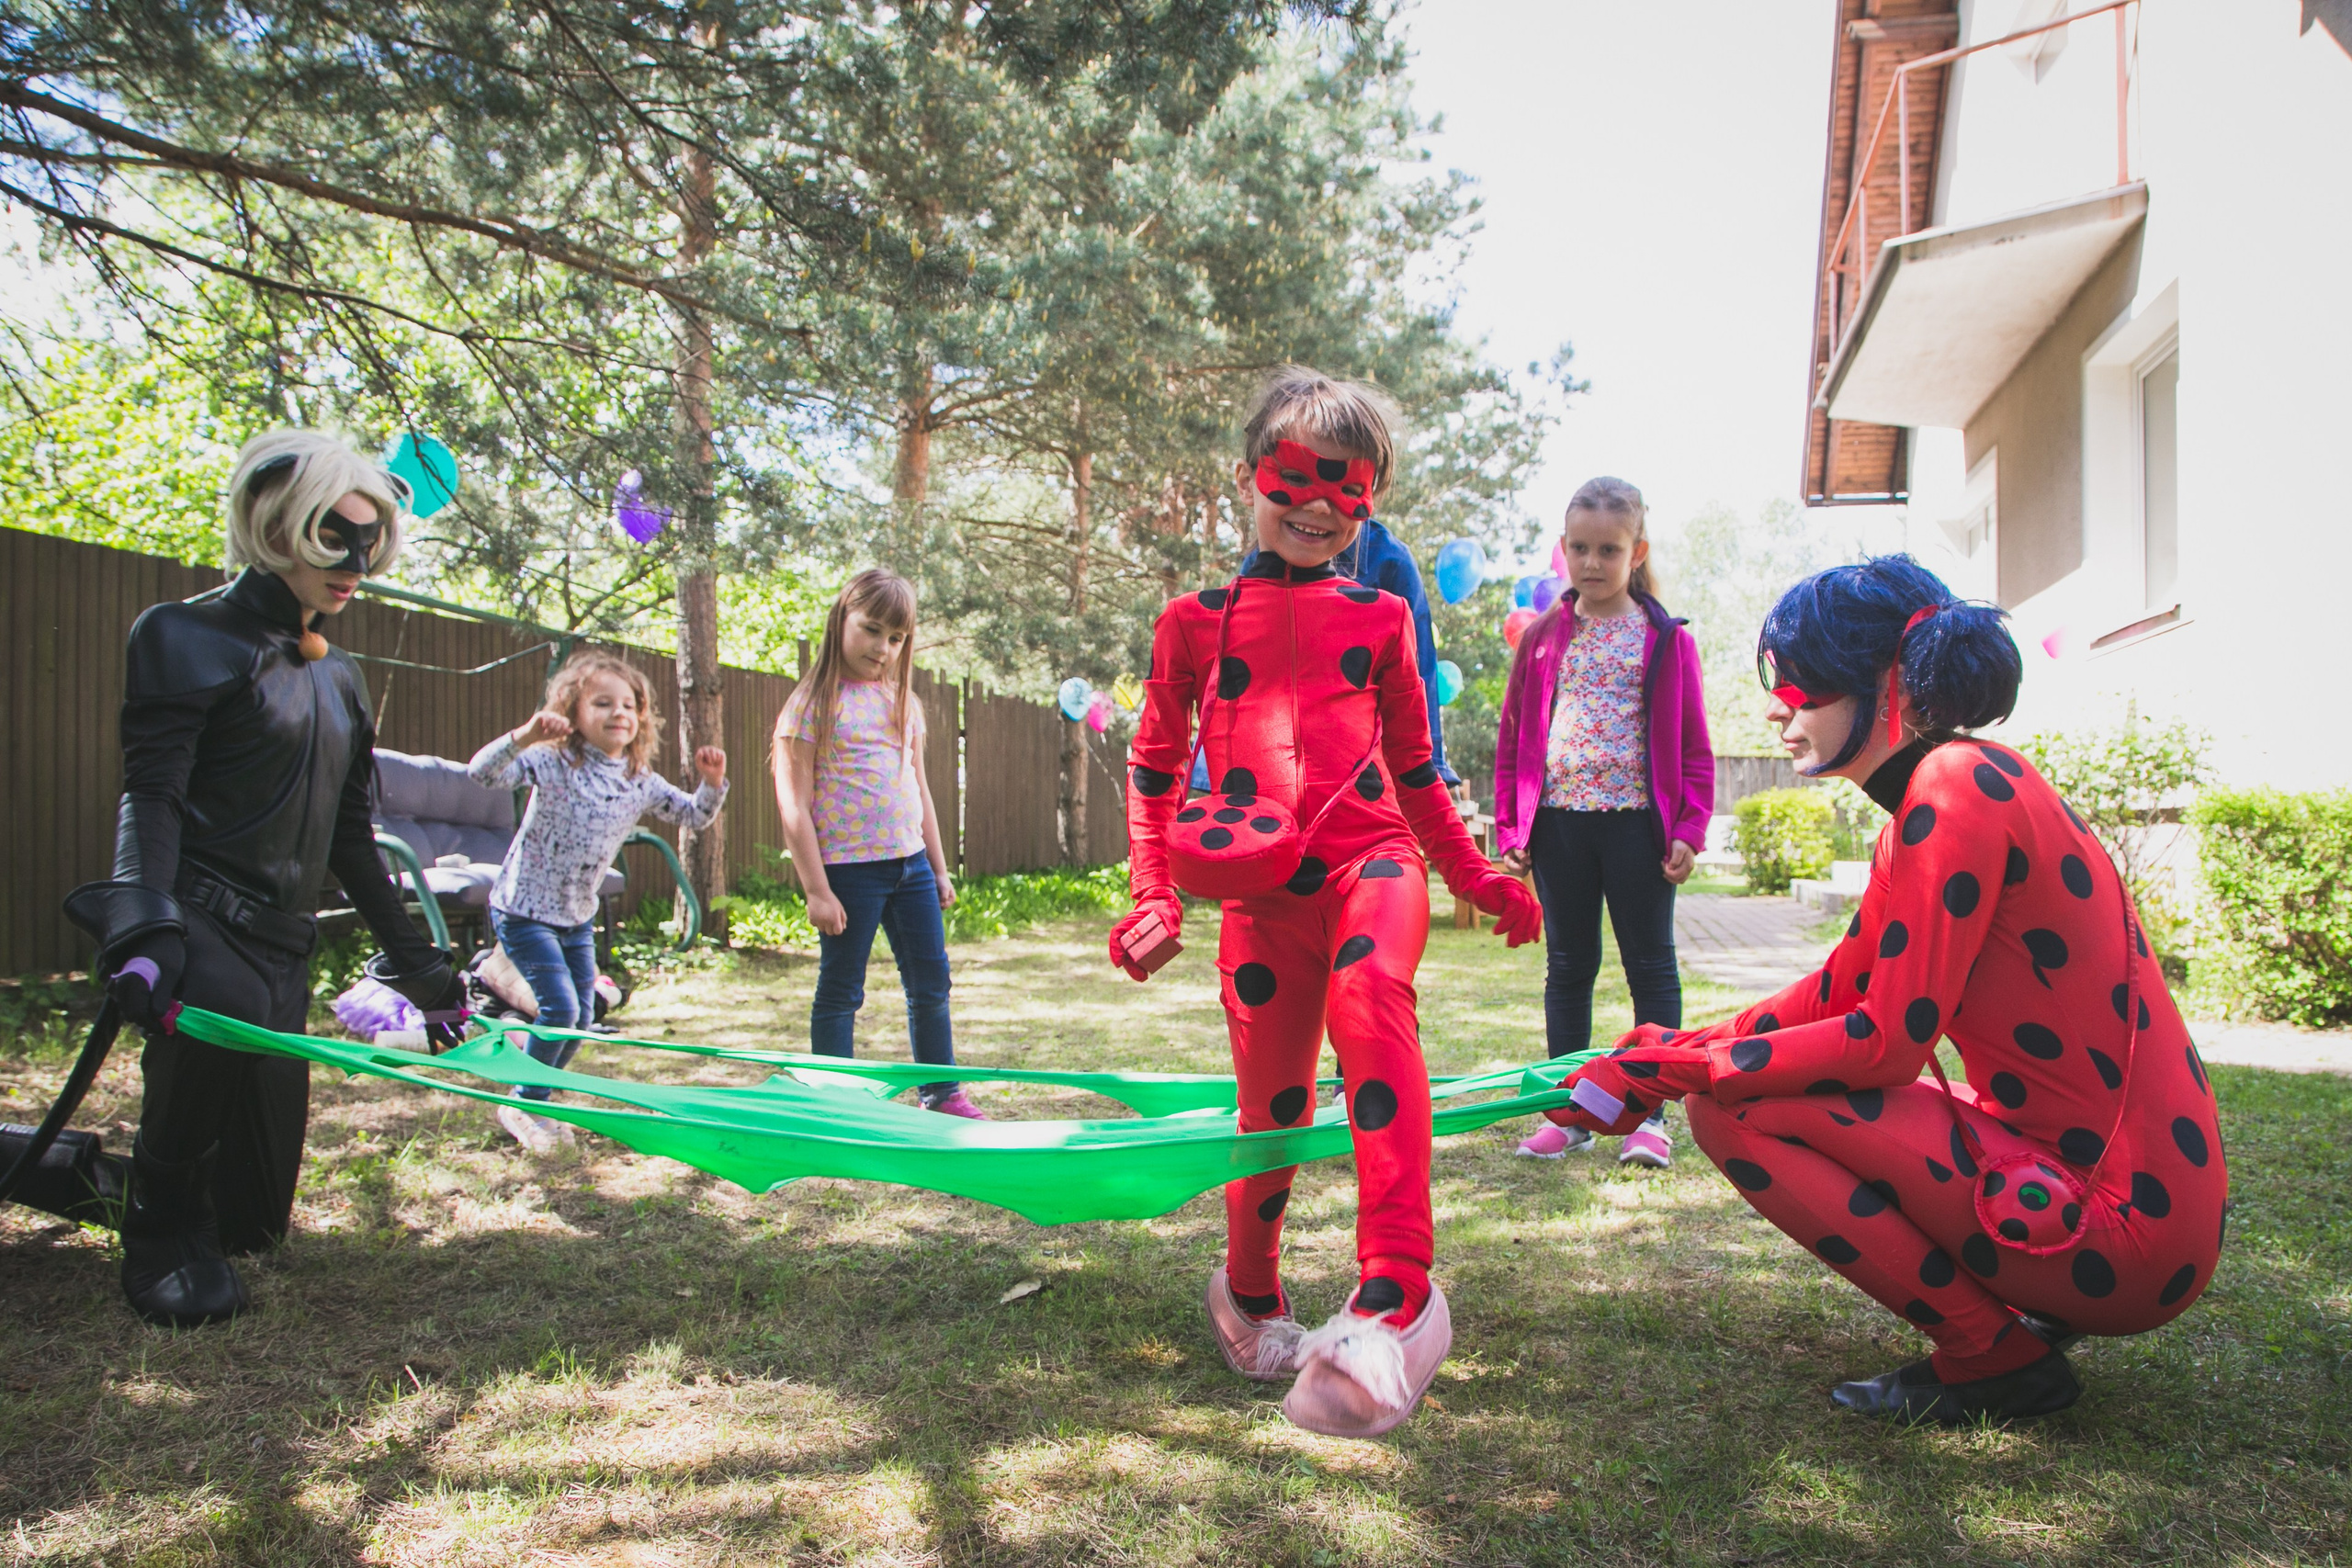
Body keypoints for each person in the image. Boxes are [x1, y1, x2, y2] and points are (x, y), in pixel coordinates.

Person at [1546, 556, 2228, 1424]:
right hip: (2116, 1203)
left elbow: (1884, 1041)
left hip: (2119, 1227)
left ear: (1888, 684)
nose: (1777, 707)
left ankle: (1995, 1359)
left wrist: (1684, 1075)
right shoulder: (1943, 799)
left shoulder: (1957, 790)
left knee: (1736, 1106)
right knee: (1731, 1079)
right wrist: (1662, 1049)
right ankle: (2011, 1331)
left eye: (1800, 686)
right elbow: (1832, 991)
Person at [1115, 367, 1542, 1438]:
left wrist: (1475, 875)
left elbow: (1417, 771)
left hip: (1372, 866)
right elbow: (1156, 768)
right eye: (1292, 479)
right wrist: (1151, 889)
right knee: (1273, 1107)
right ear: (1251, 476)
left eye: (1343, 489)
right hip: (1259, 896)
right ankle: (1248, 1290)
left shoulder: (1384, 617)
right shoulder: (1190, 624)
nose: (1313, 506)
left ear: (1369, 499)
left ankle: (1394, 1284)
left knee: (1372, 1001)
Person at [52, 428, 464, 1327]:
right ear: (275, 525)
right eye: (335, 539)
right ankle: (155, 1237)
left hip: (284, 952)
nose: (357, 565)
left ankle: (60, 1171)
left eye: (371, 543)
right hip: (203, 930)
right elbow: (152, 796)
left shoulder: (342, 677)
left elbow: (352, 836)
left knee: (252, 1225)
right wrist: (146, 926)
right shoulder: (184, 635)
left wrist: (417, 963)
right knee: (183, 1182)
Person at [1495, 478, 1713, 1169]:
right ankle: (1572, 1114)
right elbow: (1511, 740)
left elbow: (1695, 749)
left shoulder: (1666, 640)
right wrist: (1512, 828)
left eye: (1609, 549)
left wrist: (1689, 828)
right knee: (1568, 966)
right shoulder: (1540, 639)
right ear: (1563, 550)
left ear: (1636, 550)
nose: (1592, 561)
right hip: (1559, 827)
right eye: (1580, 548)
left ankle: (1653, 1118)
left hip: (1636, 829)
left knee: (1651, 967)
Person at [468, 649, 728, 1152]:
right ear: (574, 713)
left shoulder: (639, 781)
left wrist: (712, 786)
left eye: (629, 705)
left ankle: (530, 1091)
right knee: (560, 1007)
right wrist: (524, 736)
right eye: (603, 703)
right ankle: (529, 1103)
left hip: (575, 916)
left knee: (582, 1016)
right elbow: (482, 774)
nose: (619, 714)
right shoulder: (553, 759)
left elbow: (694, 817)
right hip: (524, 909)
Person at [772, 570, 981, 1120]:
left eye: (896, 638)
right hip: (848, 872)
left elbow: (919, 789)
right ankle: (836, 1103)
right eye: (872, 630)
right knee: (842, 988)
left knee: (931, 982)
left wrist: (937, 869)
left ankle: (942, 1093)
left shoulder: (901, 703)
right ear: (841, 619)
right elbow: (793, 805)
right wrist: (817, 889)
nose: (883, 648)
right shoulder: (810, 705)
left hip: (909, 866)